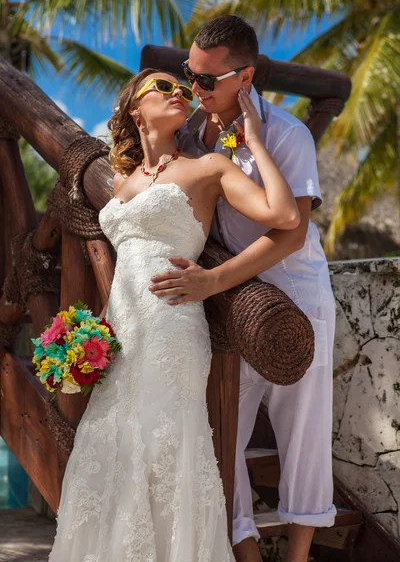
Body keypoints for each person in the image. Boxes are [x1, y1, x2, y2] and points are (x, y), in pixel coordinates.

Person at [48, 68, 300, 562]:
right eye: (164, 87)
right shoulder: (120, 178)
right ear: (135, 110)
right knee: (106, 447)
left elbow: (287, 216)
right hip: (121, 334)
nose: (179, 94)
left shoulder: (209, 167)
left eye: (184, 90)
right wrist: (83, 336)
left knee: (165, 447)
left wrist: (253, 142)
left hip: (171, 329)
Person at [149, 15, 337, 562]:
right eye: (189, 74)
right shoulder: (189, 134)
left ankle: (299, 556)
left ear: (245, 77)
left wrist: (210, 281)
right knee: (220, 435)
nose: (194, 87)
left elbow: (290, 231)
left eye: (207, 80)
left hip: (296, 299)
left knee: (304, 437)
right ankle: (246, 547)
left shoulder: (287, 134)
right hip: (231, 305)